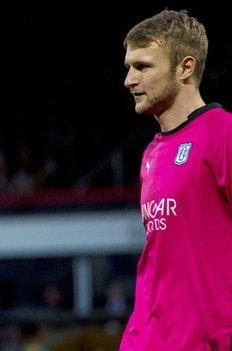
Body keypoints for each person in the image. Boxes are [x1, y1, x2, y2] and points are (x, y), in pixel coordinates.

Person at [122, 9, 232, 350]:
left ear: (185, 67)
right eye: (129, 67)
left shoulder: (223, 134)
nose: (129, 79)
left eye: (143, 66)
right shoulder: (151, 155)